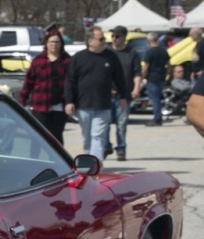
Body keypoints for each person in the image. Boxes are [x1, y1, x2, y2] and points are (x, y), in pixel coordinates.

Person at [65, 26, 128, 159]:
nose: (104, 41)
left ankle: (96, 164)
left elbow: (120, 78)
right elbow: (70, 81)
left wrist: (123, 97)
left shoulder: (110, 57)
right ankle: (88, 163)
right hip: (83, 105)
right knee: (87, 138)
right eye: (100, 39)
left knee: (98, 137)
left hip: (103, 105)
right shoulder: (78, 58)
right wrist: (69, 101)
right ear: (90, 41)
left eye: (104, 38)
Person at [20, 29, 71, 145]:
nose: (54, 45)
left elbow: (72, 83)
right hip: (40, 104)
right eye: (51, 42)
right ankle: (36, 160)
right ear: (46, 43)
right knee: (39, 136)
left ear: (62, 44)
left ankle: (58, 161)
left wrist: (71, 102)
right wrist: (22, 100)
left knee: (57, 136)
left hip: (59, 105)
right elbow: (29, 82)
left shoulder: (67, 61)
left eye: (57, 42)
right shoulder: (38, 61)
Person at [106, 26, 142, 160]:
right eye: (113, 36)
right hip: (107, 94)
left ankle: (121, 149)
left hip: (124, 94)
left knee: (121, 124)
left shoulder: (131, 52)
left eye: (117, 36)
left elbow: (137, 72)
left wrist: (136, 88)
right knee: (105, 124)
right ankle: (106, 146)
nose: (114, 39)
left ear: (124, 37)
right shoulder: (107, 52)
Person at [142, 32, 169, 126]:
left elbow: (146, 67)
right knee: (157, 98)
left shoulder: (150, 52)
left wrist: (141, 77)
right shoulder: (163, 50)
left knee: (155, 99)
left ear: (149, 40)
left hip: (152, 78)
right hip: (161, 77)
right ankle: (158, 117)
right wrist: (167, 74)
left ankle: (157, 119)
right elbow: (168, 64)